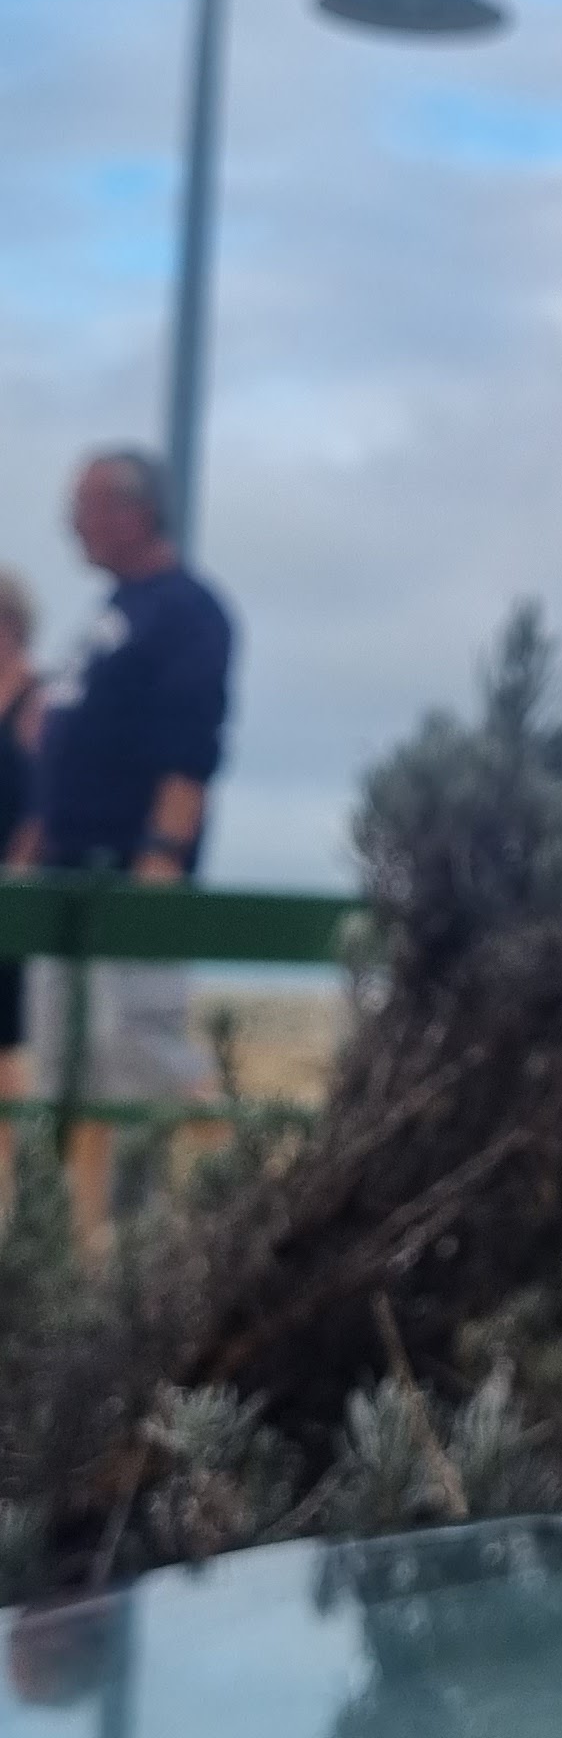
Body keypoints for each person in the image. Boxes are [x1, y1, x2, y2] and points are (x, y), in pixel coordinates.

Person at [6, 451, 236, 1219]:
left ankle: (233, 1198)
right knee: (69, 1076)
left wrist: (160, 861)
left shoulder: (185, 611)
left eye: (87, 507)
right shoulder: (113, 612)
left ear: (133, 513)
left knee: (145, 1058)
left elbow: (190, 747)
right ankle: (74, 1239)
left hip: (127, 881)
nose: (73, 525)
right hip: (66, 881)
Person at [0, 570, 40, 1124]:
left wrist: (19, 869)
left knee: (5, 1040)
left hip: (15, 886)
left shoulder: (36, 698)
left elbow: (43, 803)